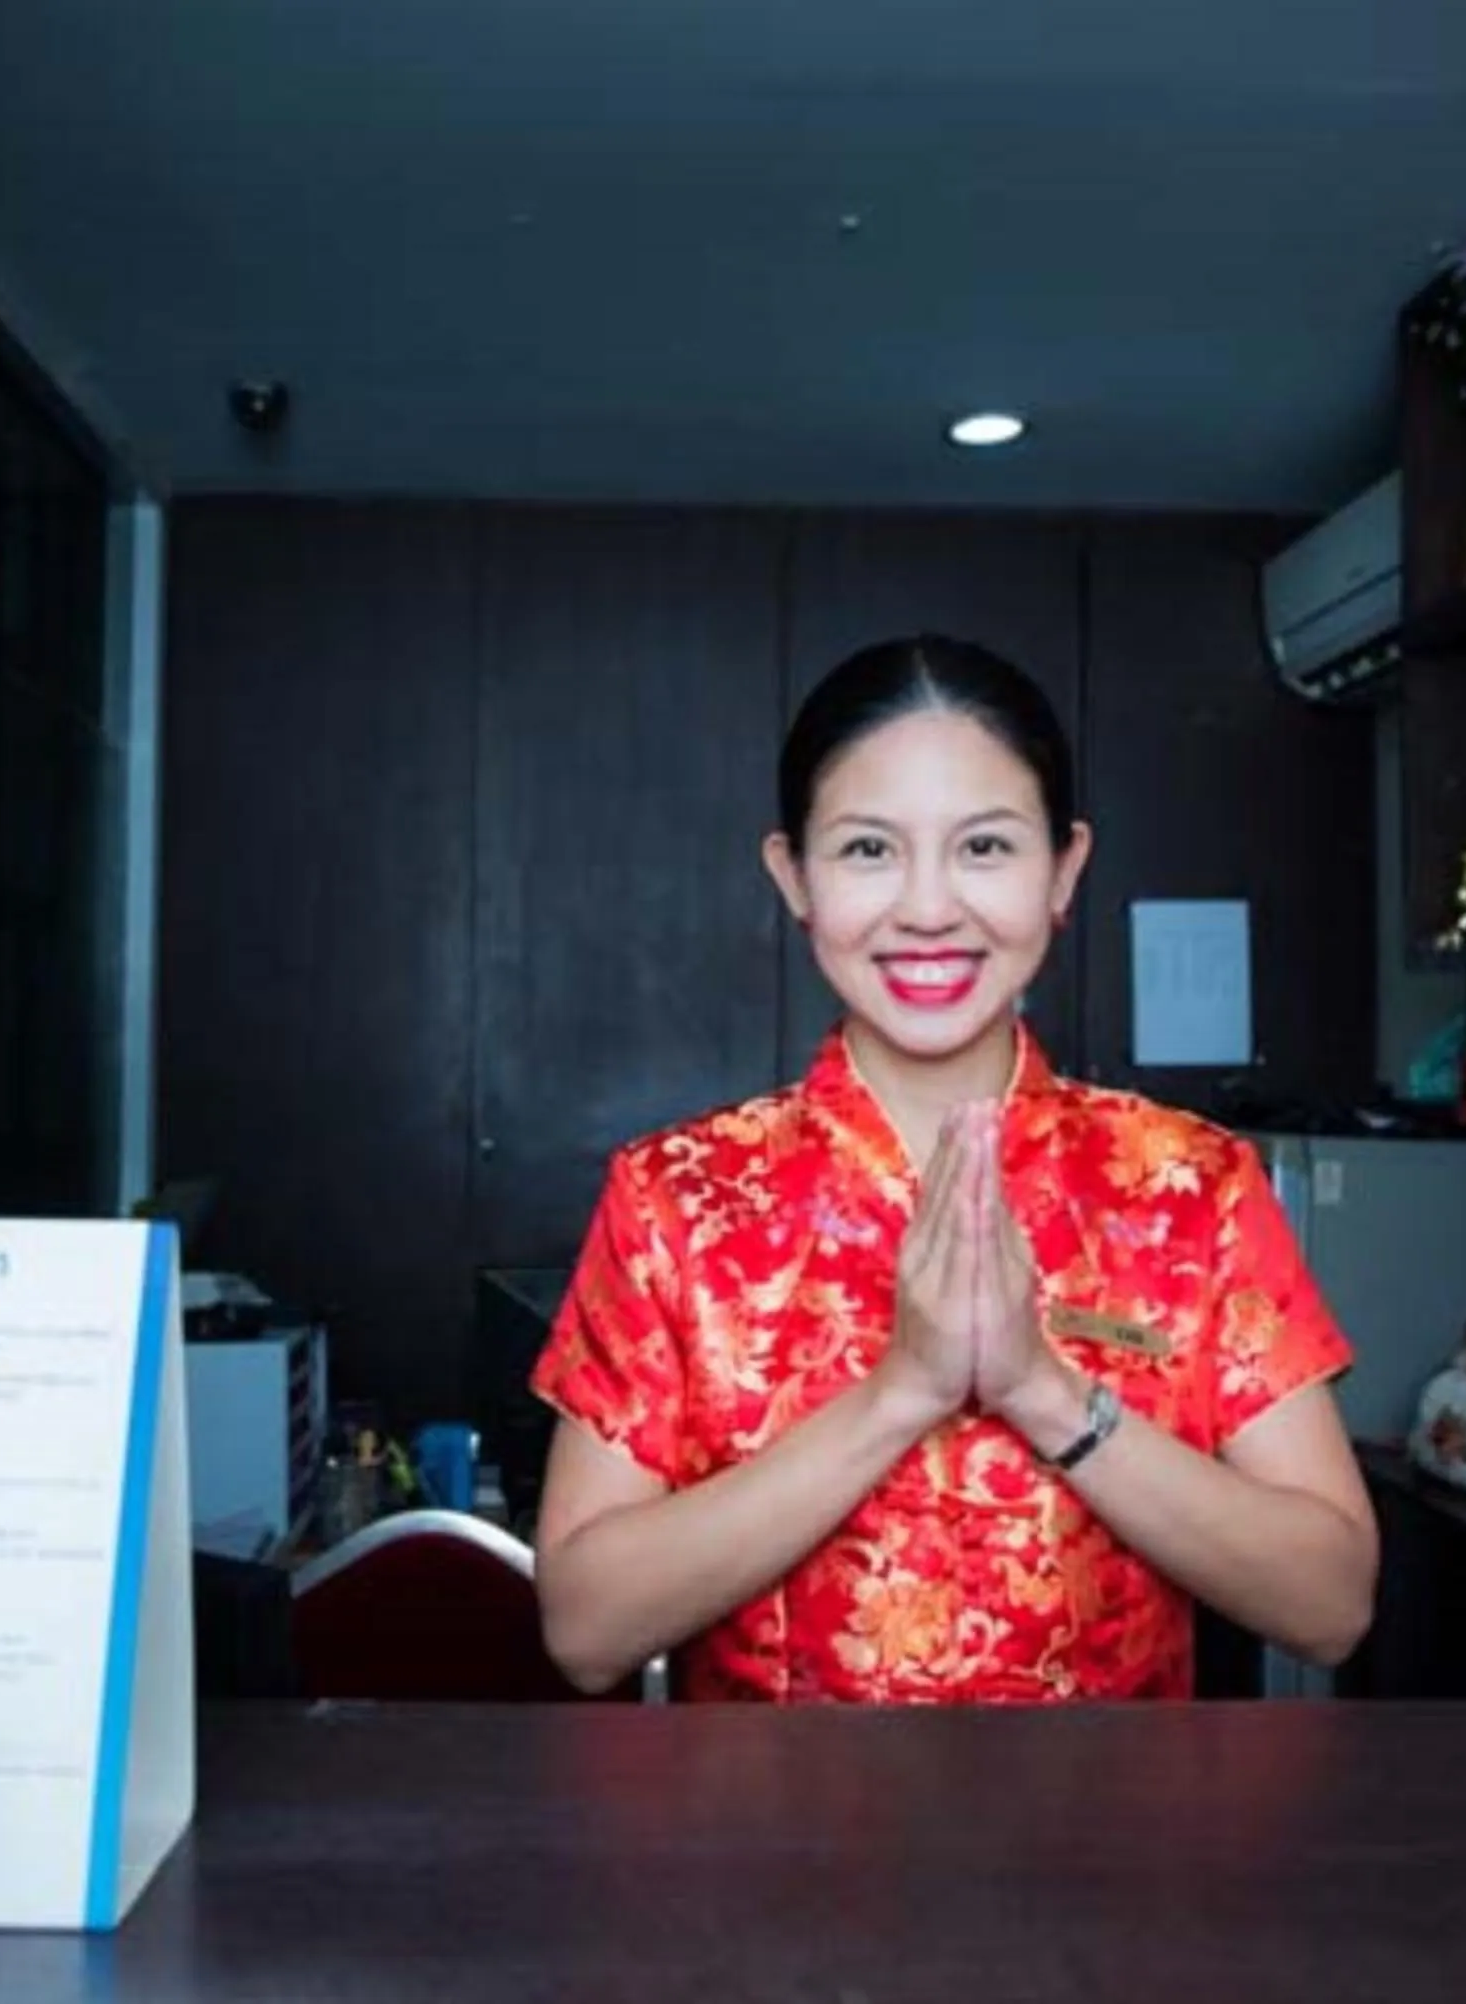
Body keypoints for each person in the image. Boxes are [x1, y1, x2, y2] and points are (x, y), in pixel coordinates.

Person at [529, 634, 1378, 1703]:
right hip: (765, 1857)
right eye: (868, 851)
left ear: (1064, 870)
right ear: (793, 876)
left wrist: (1041, 1389)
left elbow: (1332, 1604)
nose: (928, 908)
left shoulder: (1189, 1187)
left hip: (1119, 1855)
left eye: (984, 849)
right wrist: (902, 1394)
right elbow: (585, 1625)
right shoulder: (679, 1198)